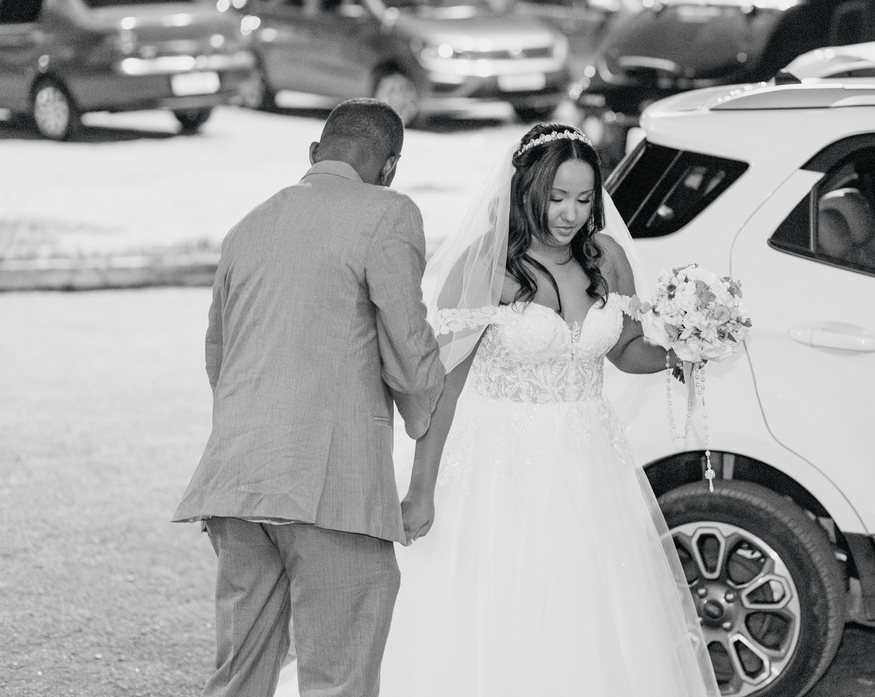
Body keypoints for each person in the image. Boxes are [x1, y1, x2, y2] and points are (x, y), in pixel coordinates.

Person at [274, 122, 719, 697]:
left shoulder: (606, 258)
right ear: (526, 189)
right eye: (556, 198)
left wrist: (685, 350)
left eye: (584, 200)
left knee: (583, 608)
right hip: (497, 461)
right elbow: (445, 386)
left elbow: (628, 349)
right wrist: (422, 489)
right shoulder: (488, 267)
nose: (570, 214)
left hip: (588, 461)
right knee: (496, 605)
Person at [173, 98, 446, 697]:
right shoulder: (388, 212)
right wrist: (432, 414)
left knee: (238, 677)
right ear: (390, 166)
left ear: (315, 152)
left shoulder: (248, 225)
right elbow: (407, 345)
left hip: (237, 481)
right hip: (331, 489)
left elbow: (219, 357)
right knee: (338, 679)